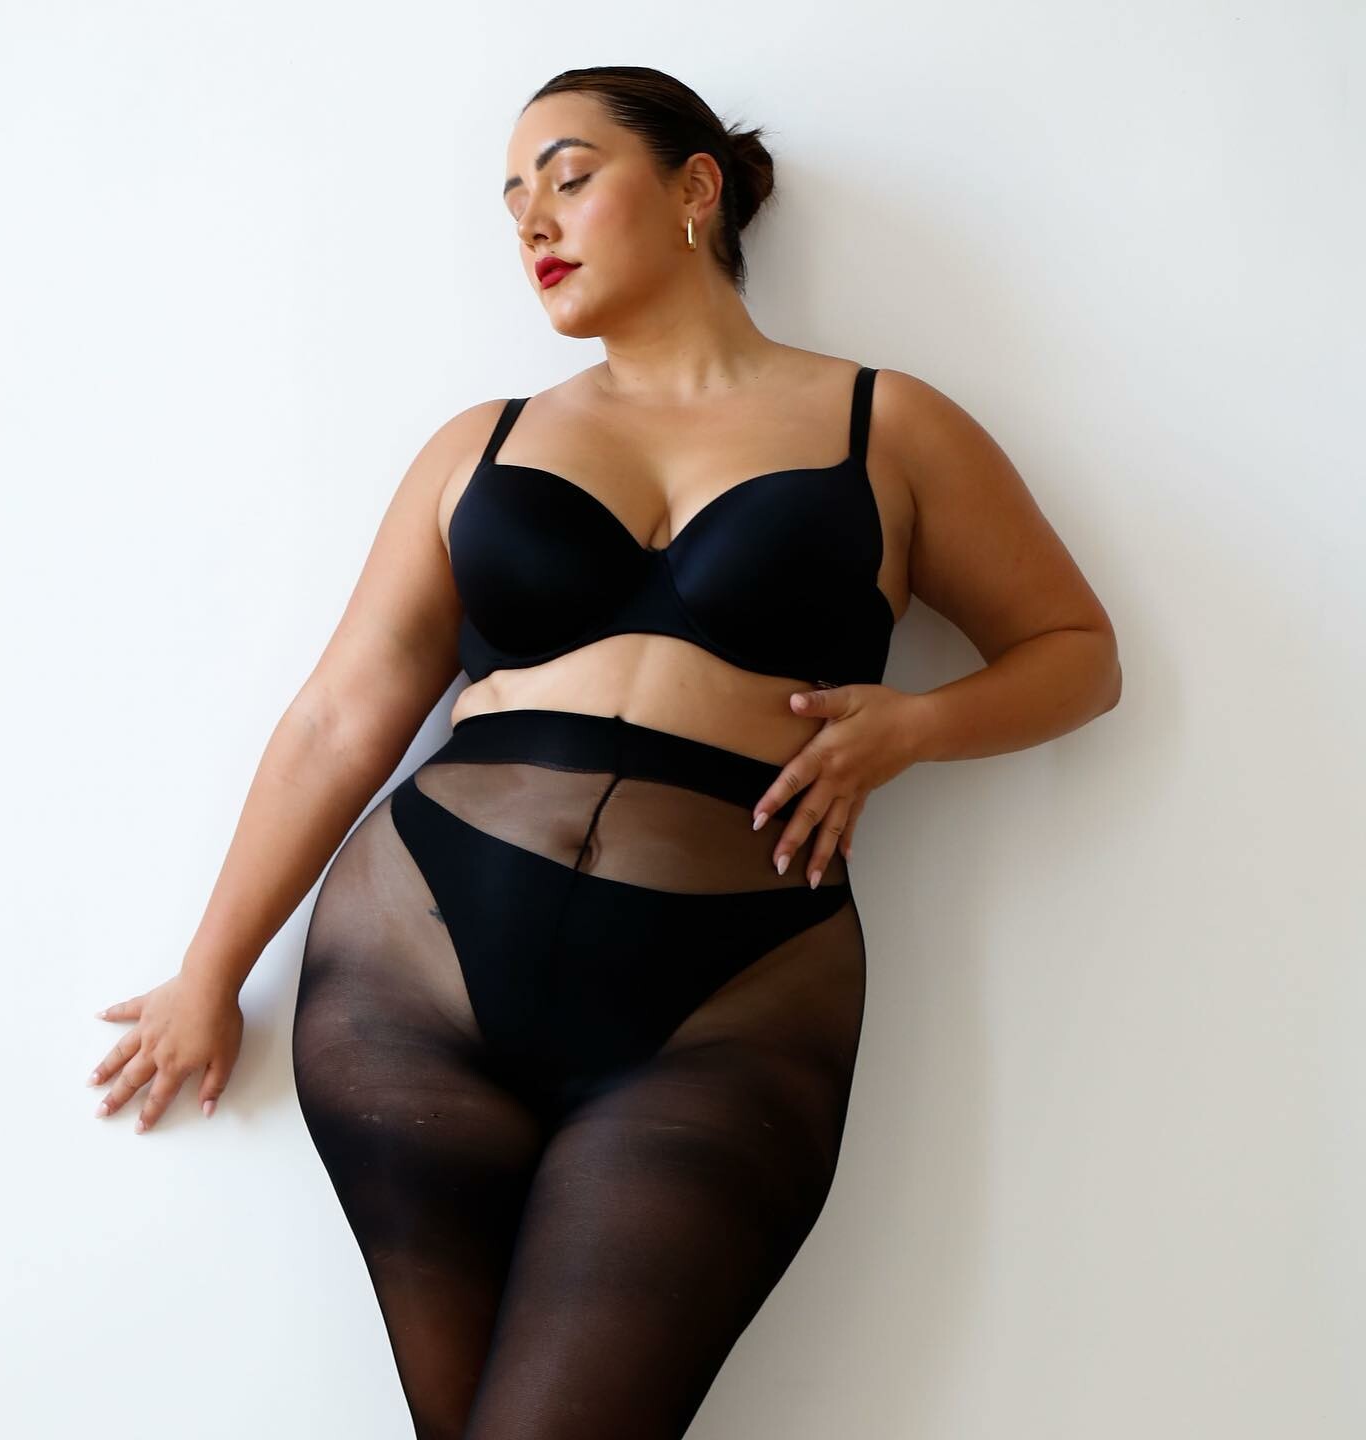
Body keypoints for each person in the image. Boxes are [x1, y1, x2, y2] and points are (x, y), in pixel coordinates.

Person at [87, 65, 1121, 1440]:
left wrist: (918, 726)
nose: (533, 220)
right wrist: (209, 973)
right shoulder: (483, 443)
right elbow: (343, 712)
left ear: (695, 188)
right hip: (416, 969)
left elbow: (1077, 652)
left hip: (732, 1000)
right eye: (513, 198)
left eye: (569, 177)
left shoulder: (889, 425)